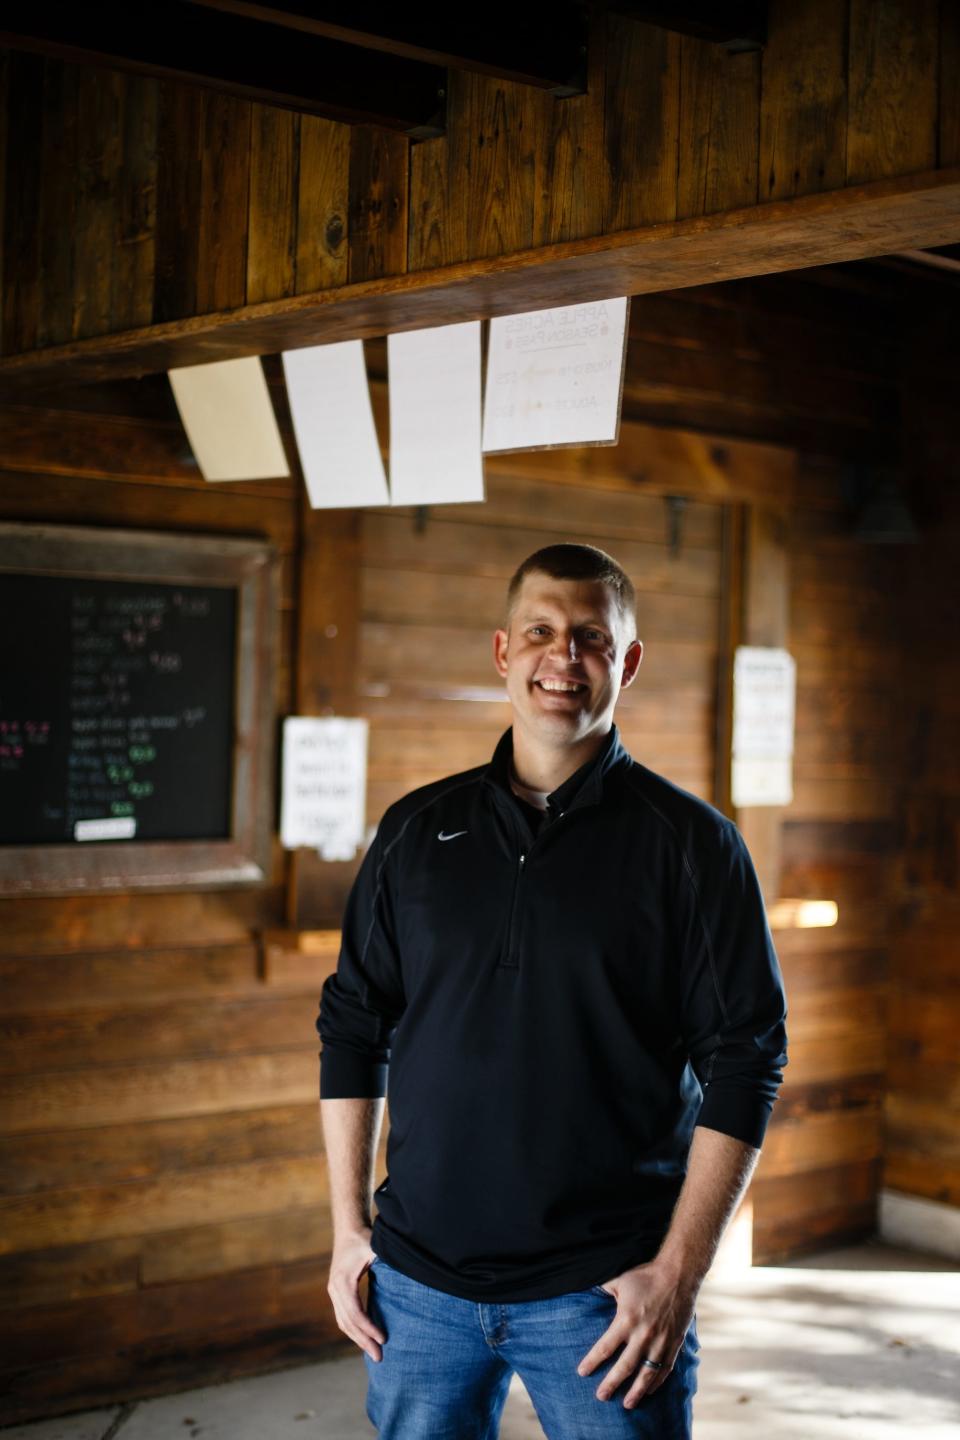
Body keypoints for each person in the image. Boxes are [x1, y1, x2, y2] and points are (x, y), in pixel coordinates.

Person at [317, 542, 788, 1439]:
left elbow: (747, 1061)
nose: (561, 658)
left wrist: (679, 1276)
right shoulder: (417, 830)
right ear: (503, 652)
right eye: (540, 632)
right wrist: (347, 1232)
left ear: (628, 662)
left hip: (606, 1298)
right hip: (417, 1289)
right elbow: (352, 1024)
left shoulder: (692, 848)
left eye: (590, 638)